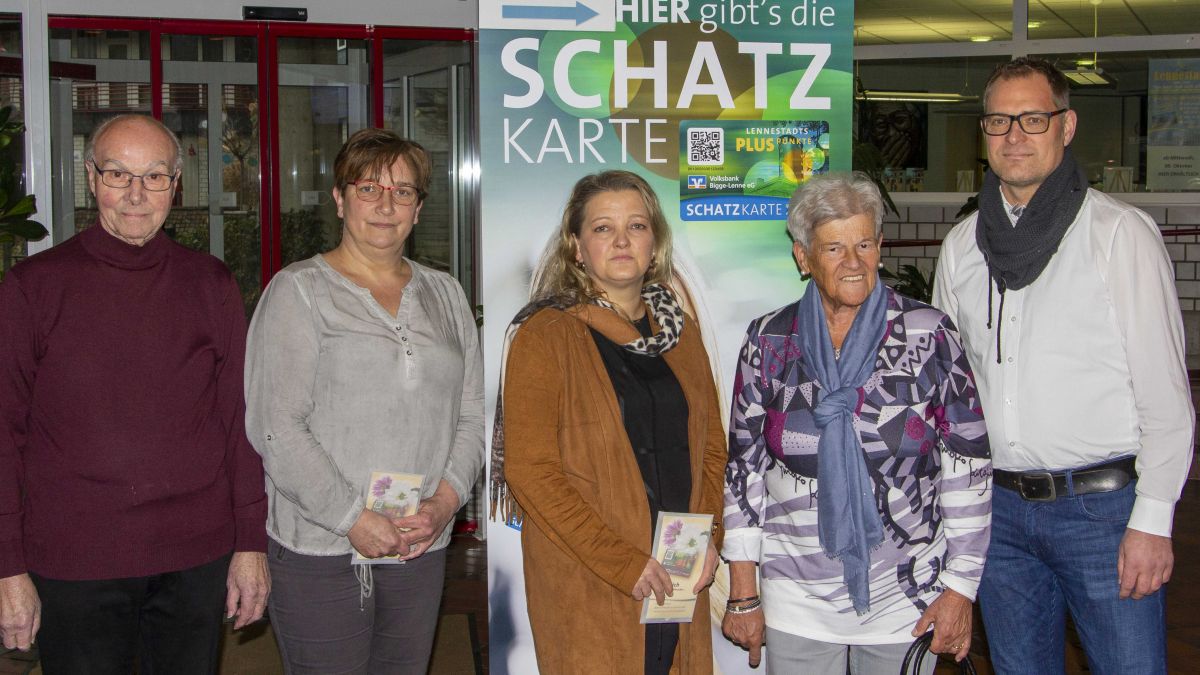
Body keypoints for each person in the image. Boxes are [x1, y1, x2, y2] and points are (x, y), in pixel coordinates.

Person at [932, 57, 1194, 674]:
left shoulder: (1118, 234)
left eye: (1032, 118)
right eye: (999, 121)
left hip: (1102, 515)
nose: (1014, 136)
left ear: (1066, 126)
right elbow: (951, 394)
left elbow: (1166, 396)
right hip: (998, 518)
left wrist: (1153, 521)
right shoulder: (963, 246)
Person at [0, 114, 269, 673]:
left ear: (176, 185)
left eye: (153, 176)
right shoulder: (33, 288)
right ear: (91, 178)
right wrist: (7, 566)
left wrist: (250, 545)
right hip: (74, 560)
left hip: (195, 556)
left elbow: (240, 423)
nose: (136, 194)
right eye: (118, 174)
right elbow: (3, 432)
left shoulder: (210, 284)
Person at [721, 172, 992, 674]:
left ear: (880, 246)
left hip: (908, 595)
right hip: (796, 595)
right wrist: (742, 590)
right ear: (803, 258)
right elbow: (744, 470)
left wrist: (960, 588)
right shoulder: (769, 340)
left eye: (864, 243)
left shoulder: (929, 335)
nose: (853, 262)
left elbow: (967, 465)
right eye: (834, 248)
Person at [244, 127, 483, 675]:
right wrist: (353, 518)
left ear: (419, 209)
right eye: (368, 188)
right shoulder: (298, 291)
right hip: (322, 547)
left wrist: (444, 504)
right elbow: (276, 426)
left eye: (403, 192)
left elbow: (470, 413)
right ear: (339, 197)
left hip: (418, 541)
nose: (385, 205)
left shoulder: (445, 292)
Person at [492, 170, 726, 674]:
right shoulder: (545, 334)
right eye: (602, 228)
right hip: (590, 573)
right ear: (576, 247)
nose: (621, 240)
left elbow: (712, 449)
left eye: (636, 226)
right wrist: (624, 562)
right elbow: (531, 472)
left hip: (679, 567)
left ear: (655, 242)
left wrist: (710, 537)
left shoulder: (680, 334)